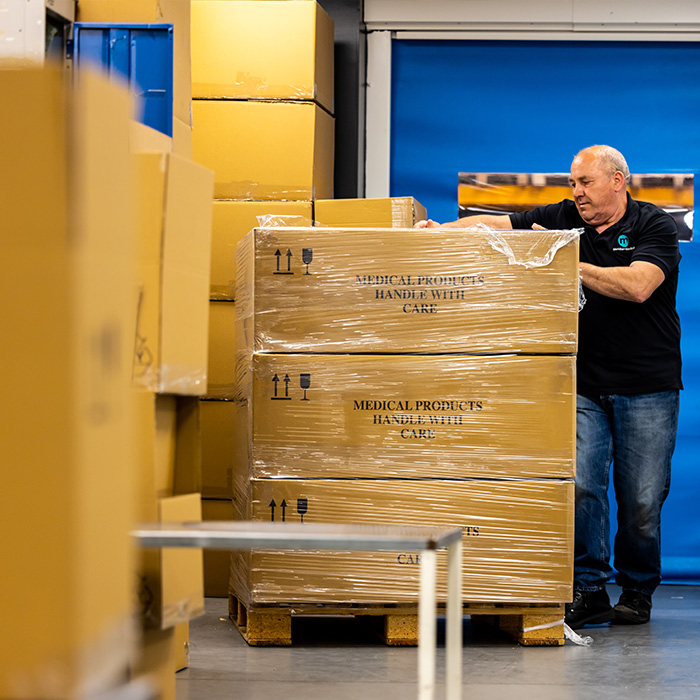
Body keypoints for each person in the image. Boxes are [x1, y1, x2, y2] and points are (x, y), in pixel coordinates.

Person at [416, 145, 682, 628]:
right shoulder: (561, 217)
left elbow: (638, 286)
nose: (575, 192)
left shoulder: (653, 226)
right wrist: (439, 232)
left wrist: (563, 258)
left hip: (648, 386)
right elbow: (495, 226)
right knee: (582, 489)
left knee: (642, 500)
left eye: (585, 182)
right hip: (582, 383)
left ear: (618, 180)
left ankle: (638, 590)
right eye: (573, 183)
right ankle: (591, 588)